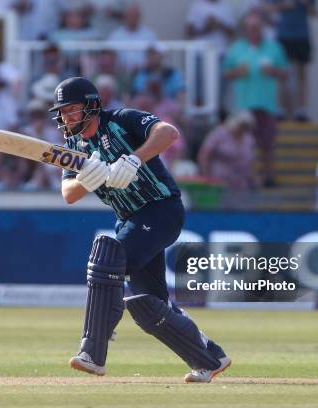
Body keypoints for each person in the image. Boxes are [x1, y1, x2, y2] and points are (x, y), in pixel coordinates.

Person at [49, 77, 230, 383]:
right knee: (149, 304)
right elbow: (68, 193)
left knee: (108, 257)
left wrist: (133, 158)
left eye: (72, 110)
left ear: (92, 106)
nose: (66, 118)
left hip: (161, 209)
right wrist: (86, 180)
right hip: (129, 218)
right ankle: (210, 358)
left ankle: (92, 352)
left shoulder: (121, 120)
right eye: (62, 113)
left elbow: (168, 132)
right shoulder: (75, 144)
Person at [223, 12, 288, 187]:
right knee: (245, 146)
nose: (254, 31)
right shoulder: (236, 48)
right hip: (243, 105)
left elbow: (285, 72)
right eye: (251, 28)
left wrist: (273, 71)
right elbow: (226, 73)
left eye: (257, 28)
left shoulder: (274, 47)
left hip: (267, 104)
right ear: (245, 30)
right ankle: (248, 178)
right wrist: (238, 72)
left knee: (268, 144)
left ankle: (268, 177)